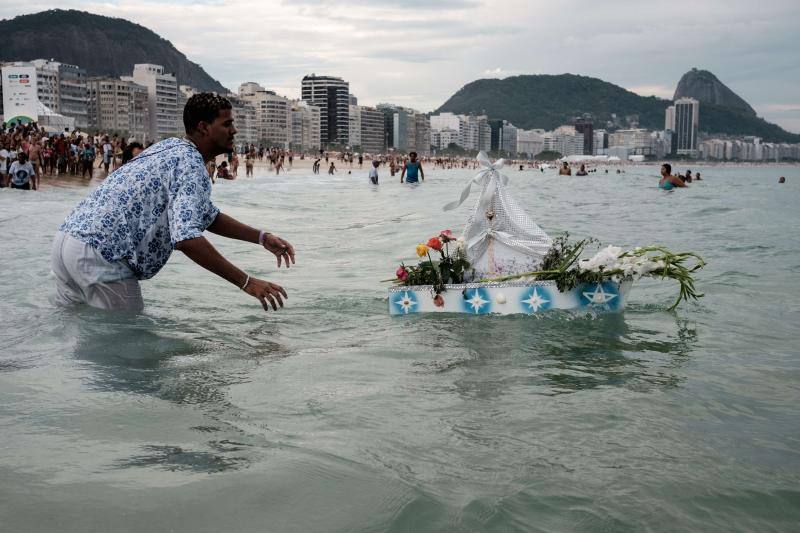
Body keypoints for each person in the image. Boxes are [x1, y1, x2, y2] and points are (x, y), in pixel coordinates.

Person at [52, 93, 295, 313]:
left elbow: (206, 215)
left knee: (77, 329)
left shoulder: (169, 148)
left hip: (68, 242)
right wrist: (247, 282)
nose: (234, 130)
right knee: (131, 352)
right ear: (203, 127)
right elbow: (186, 239)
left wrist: (261, 237)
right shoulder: (191, 165)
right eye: (227, 124)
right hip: (103, 256)